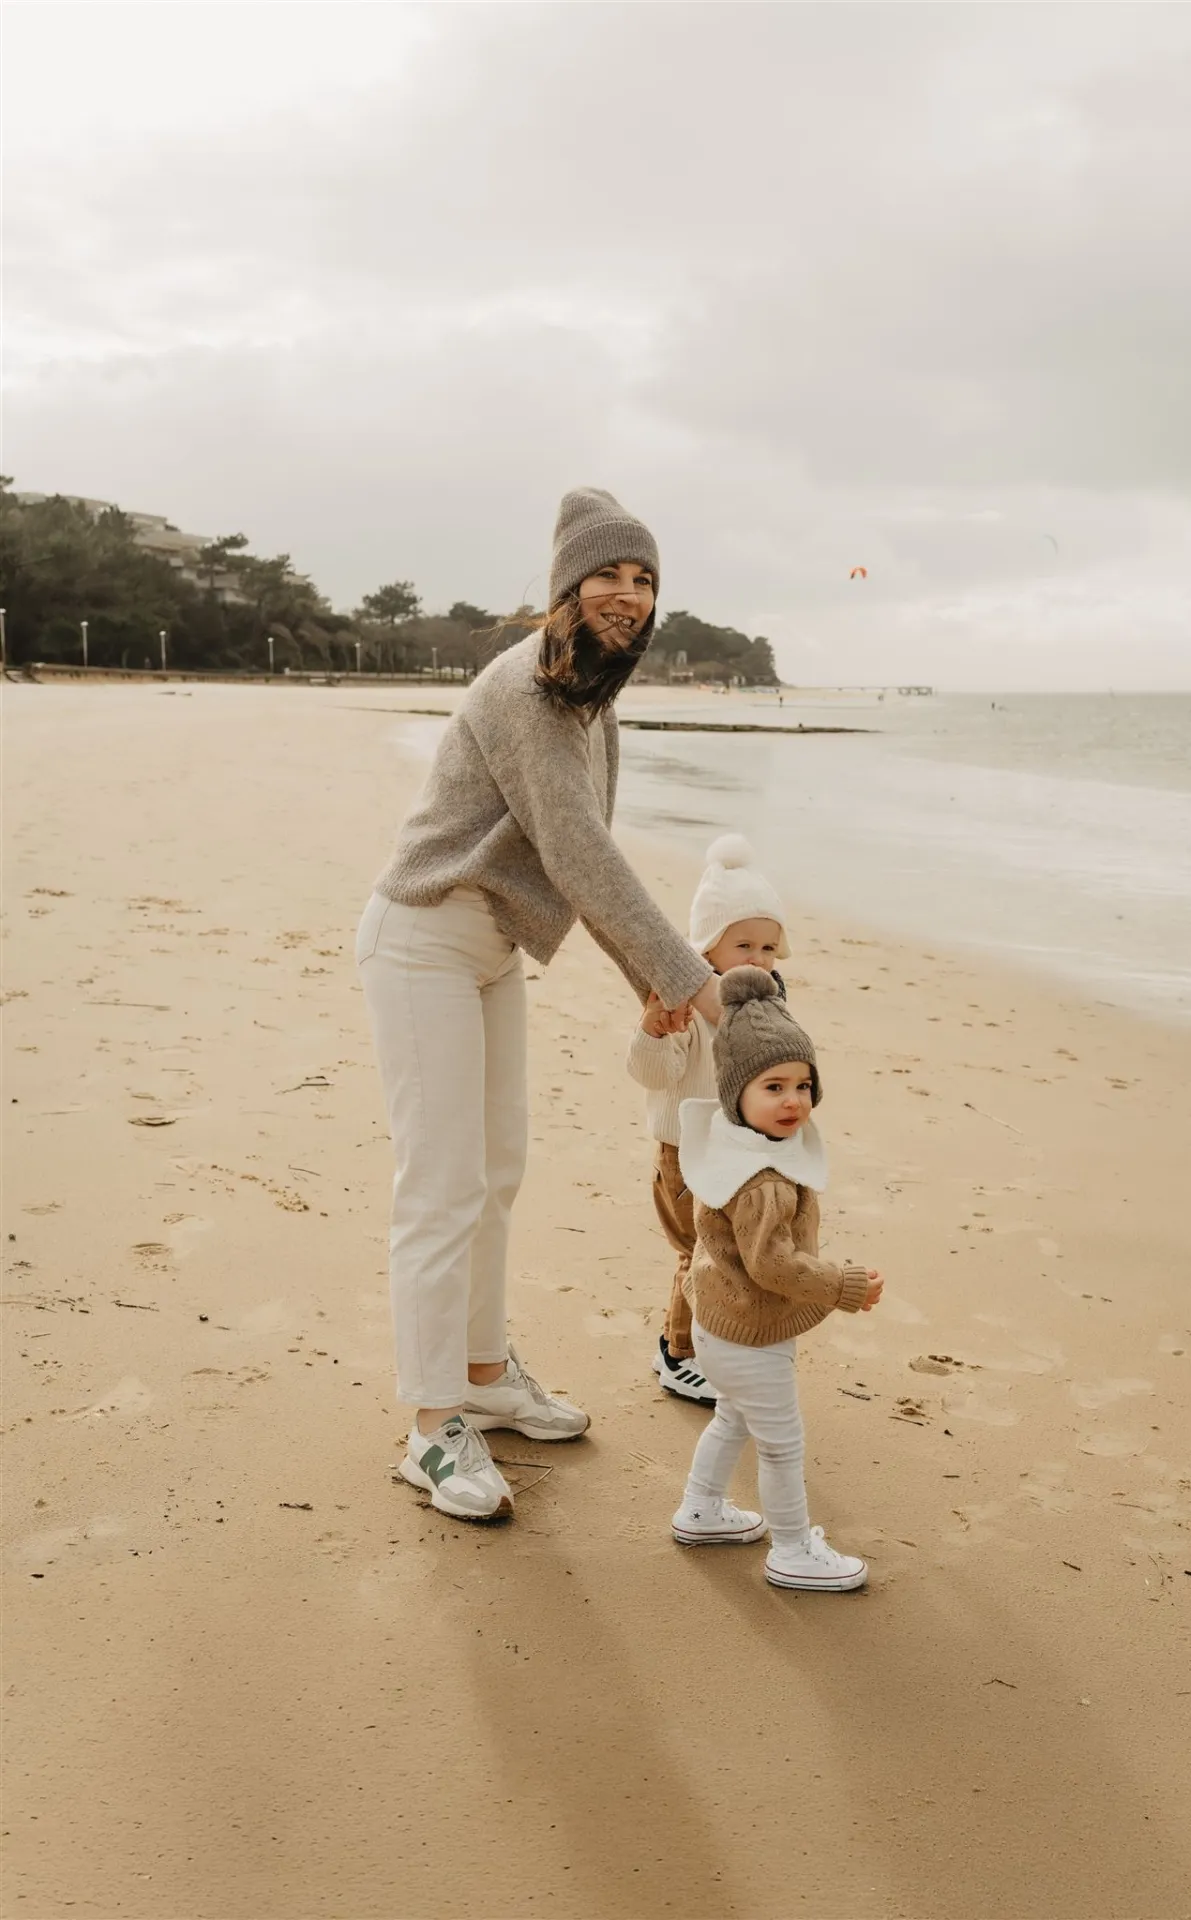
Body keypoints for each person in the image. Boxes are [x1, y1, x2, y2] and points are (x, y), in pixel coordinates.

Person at [358, 488, 722, 1523]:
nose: (628, 593)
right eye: (609, 573)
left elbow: (576, 865)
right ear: (566, 584)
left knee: (498, 1173)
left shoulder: (589, 699)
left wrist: (650, 988)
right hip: (423, 941)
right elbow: (577, 852)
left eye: (644, 579)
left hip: (488, 952)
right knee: (440, 1189)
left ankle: (481, 1374)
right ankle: (432, 1428)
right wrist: (689, 981)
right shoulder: (527, 688)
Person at [670, 967, 884, 1590]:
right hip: (749, 1337)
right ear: (736, 1093)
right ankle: (792, 1550)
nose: (794, 1101)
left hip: (720, 1323)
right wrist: (843, 1285)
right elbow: (773, 1265)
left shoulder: (733, 1146)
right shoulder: (762, 1181)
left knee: (731, 1418)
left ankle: (701, 1509)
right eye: (773, 1087)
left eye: (803, 1085)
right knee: (782, 1444)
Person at [626, 835, 790, 1406]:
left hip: (736, 1156)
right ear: (706, 948)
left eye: (768, 947)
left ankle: (709, 1344)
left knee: (727, 1255)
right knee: (698, 1253)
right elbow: (653, 1074)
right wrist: (654, 1031)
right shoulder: (686, 1007)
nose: (757, 958)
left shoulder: (768, 1007)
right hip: (684, 1154)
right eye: (742, 945)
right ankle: (678, 1354)